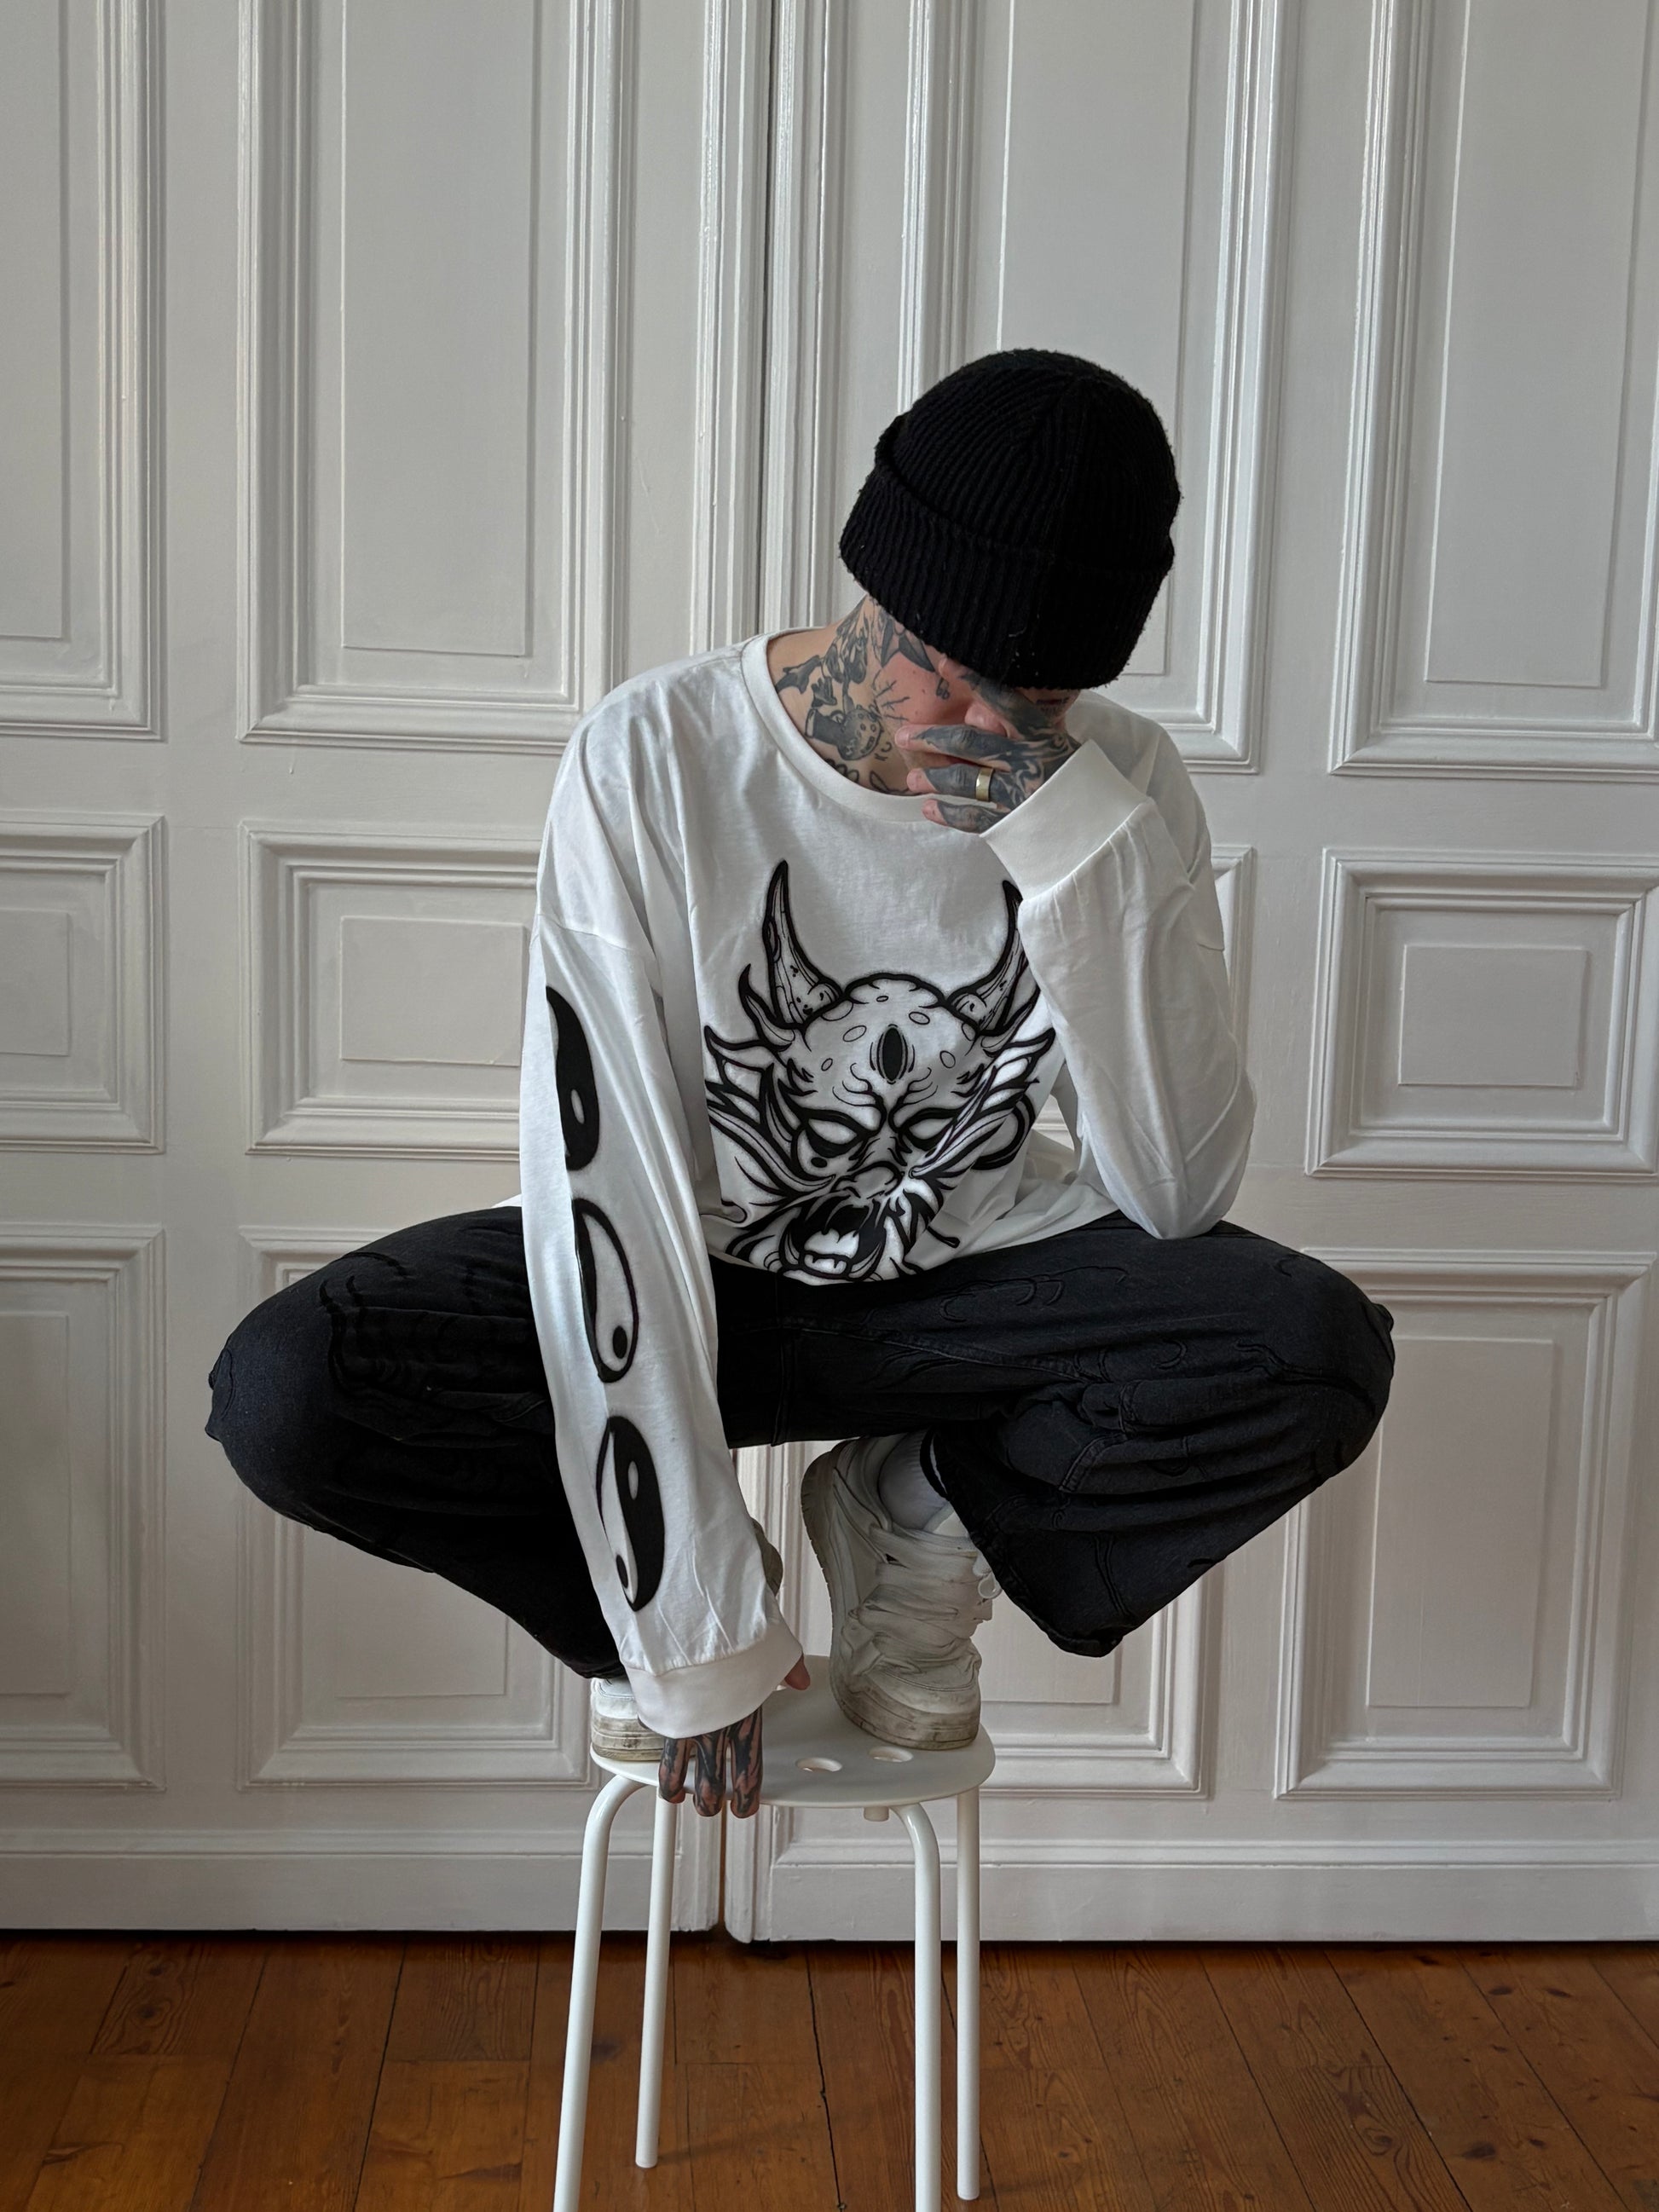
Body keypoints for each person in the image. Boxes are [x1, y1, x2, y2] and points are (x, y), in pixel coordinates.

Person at [207, 349, 1395, 1822]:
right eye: (953, 668)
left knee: (1306, 1346)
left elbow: (1173, 1189)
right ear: (873, 590)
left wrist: (1077, 853)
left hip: (967, 1292)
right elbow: (608, 1183)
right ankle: (636, 1603)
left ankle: (912, 1513)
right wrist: (685, 1616)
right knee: (296, 1387)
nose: (993, 726)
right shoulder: (657, 751)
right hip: (695, 1272)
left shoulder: (1113, 784)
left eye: (1043, 692)